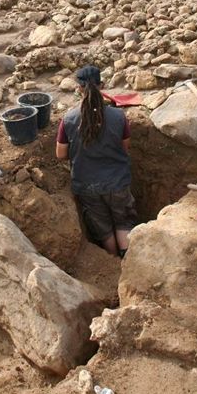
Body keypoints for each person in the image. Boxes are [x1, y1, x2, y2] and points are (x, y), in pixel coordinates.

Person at [56, 65, 137, 258]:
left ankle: (113, 260)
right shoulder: (118, 116)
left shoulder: (68, 119)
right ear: (102, 85)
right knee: (123, 222)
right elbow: (124, 147)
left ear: (79, 89)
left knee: (103, 227)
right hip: (117, 182)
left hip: (86, 185)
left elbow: (60, 154)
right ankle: (127, 260)